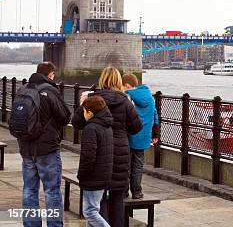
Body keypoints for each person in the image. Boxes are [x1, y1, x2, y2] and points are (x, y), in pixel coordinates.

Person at [72, 67, 142, 227]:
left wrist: (82, 103)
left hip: (99, 151)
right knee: (118, 197)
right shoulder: (125, 101)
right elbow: (137, 127)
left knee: (99, 199)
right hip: (120, 153)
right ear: (118, 81)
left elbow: (76, 123)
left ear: (101, 80)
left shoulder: (93, 99)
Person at [10, 62, 71, 227]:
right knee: (52, 191)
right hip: (47, 150)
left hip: (26, 148)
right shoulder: (50, 91)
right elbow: (65, 117)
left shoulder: (22, 90)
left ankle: (30, 224)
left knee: (29, 190)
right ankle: (54, 225)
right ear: (50, 74)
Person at [122, 73, 159, 200]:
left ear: (126, 85)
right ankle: (137, 192)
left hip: (129, 136)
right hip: (143, 137)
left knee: (126, 165)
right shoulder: (149, 96)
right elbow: (155, 116)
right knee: (138, 166)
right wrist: (155, 133)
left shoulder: (127, 96)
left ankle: (124, 191)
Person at [78, 96, 113, 227]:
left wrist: (82, 175)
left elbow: (88, 157)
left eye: (84, 111)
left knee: (90, 212)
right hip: (103, 175)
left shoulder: (91, 128)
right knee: (94, 210)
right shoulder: (107, 126)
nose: (83, 114)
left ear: (90, 113)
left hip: (93, 176)